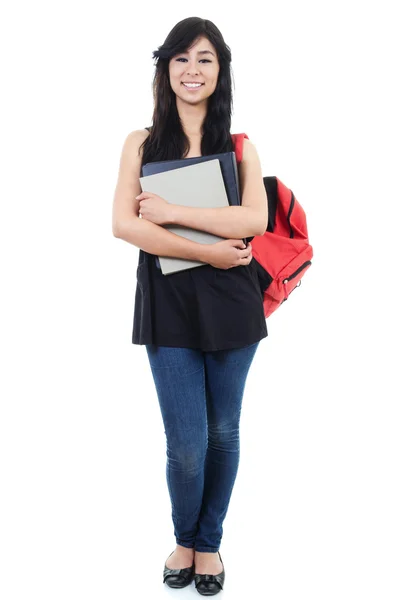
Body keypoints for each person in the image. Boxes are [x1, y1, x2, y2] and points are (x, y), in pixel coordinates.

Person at [112, 17, 269, 596]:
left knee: (223, 431)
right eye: (181, 58)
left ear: (220, 69)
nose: (192, 70)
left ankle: (208, 544)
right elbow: (124, 225)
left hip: (233, 305)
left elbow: (253, 220)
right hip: (169, 305)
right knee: (185, 440)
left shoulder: (240, 146)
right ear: (165, 69)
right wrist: (209, 248)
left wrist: (172, 212)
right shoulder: (141, 142)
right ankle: (184, 536)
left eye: (204, 59)